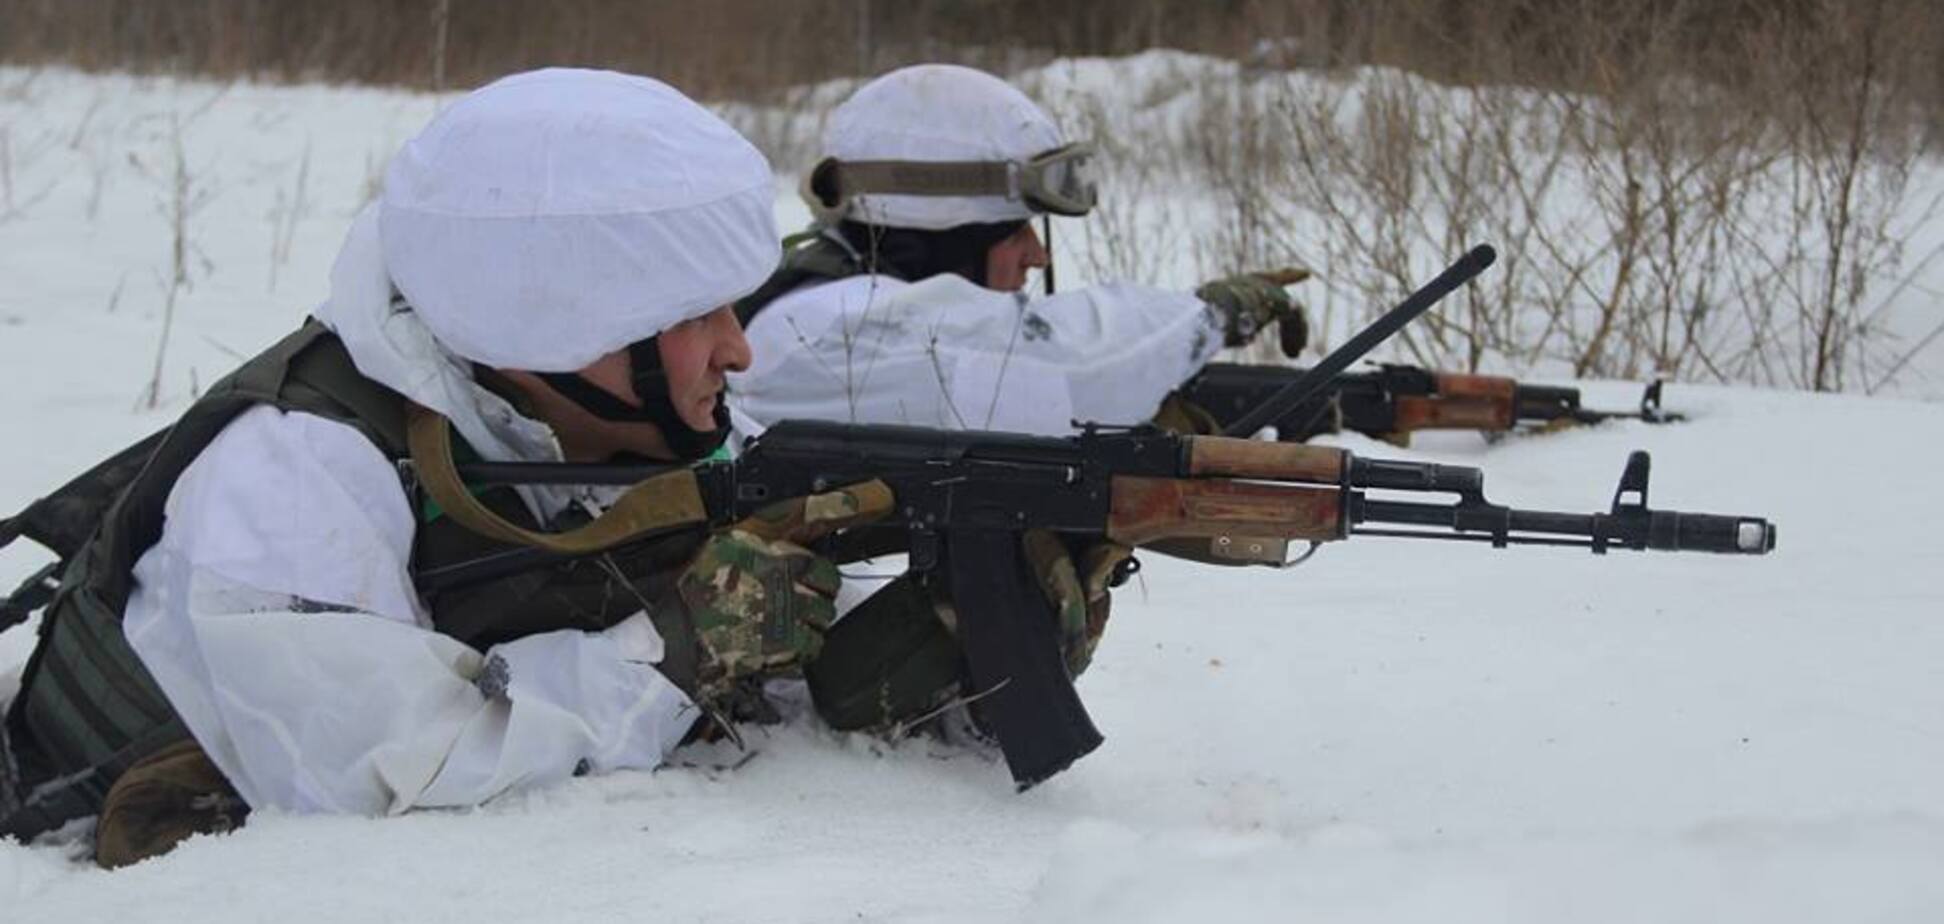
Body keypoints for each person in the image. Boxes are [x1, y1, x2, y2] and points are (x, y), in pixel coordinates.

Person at [0, 68, 852, 867]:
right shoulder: (296, 475)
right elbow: (381, 772)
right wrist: (676, 653)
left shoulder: (584, 407)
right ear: (557, 327)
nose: (739, 349)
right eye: (697, 315)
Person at [726, 63, 1307, 438]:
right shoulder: (828, 327)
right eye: (1013, 231)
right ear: (944, 235)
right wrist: (1211, 315)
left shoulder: (826, 305)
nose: (1037, 255)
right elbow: (1078, 364)